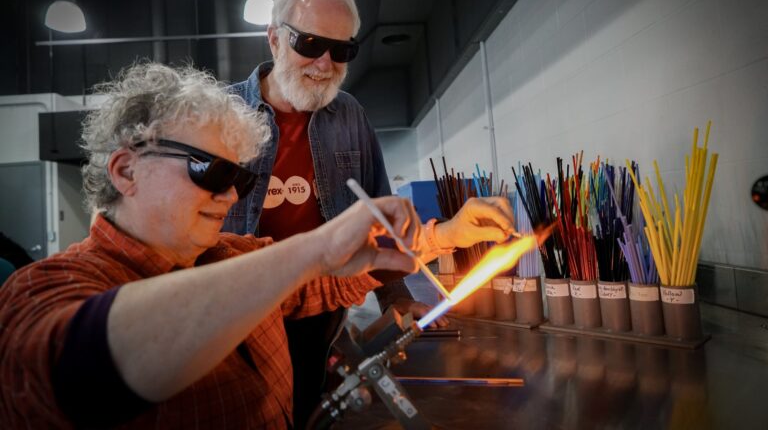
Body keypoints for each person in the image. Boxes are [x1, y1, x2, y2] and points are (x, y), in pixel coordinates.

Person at [0, 63, 515, 429]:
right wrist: (311, 249)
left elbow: (328, 281)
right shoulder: (41, 288)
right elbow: (86, 370)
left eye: (240, 179)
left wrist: (447, 235)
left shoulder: (231, 254)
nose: (230, 196)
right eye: (210, 171)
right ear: (126, 170)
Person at [222, 0, 518, 427]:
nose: (325, 63)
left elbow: (380, 215)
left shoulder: (349, 116)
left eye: (341, 50)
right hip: (239, 321)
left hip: (324, 313)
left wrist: (395, 298)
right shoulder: (221, 116)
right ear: (274, 39)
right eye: (310, 43)